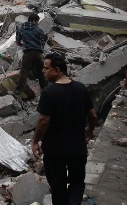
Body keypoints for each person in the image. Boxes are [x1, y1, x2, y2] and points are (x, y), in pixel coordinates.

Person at [32, 53, 97, 205]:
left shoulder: (49, 92)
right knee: (77, 181)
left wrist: (35, 141)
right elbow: (93, 115)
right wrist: (89, 131)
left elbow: (43, 120)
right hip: (77, 147)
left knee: (58, 185)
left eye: (46, 68)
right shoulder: (81, 88)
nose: (43, 71)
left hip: (55, 149)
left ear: (57, 70)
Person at [15, 13, 47, 100]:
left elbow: (17, 42)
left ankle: (18, 92)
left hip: (27, 53)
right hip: (38, 53)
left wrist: (24, 44)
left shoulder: (21, 29)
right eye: (37, 21)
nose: (37, 23)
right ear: (34, 21)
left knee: (24, 72)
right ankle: (46, 91)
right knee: (42, 73)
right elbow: (42, 43)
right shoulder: (39, 30)